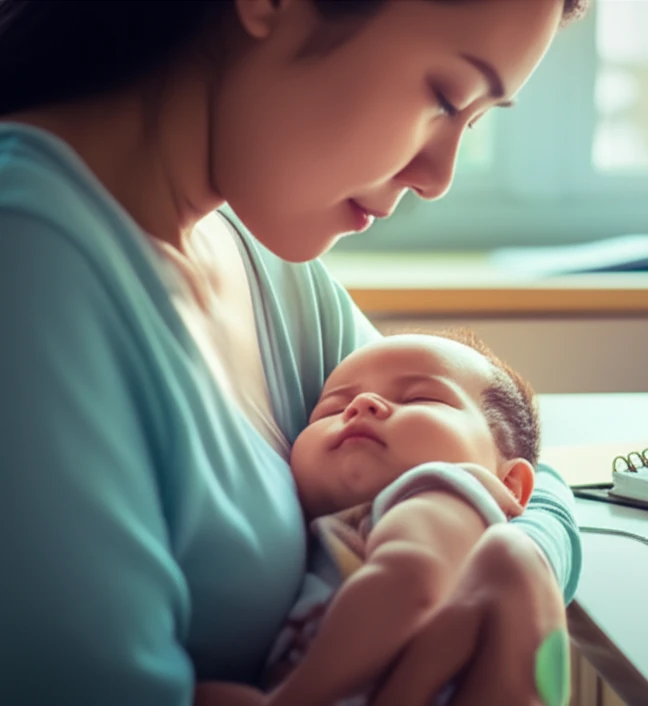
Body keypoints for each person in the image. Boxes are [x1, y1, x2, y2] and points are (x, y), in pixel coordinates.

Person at [0, 1, 589, 705]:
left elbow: (502, 449)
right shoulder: (29, 270)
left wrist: (511, 550)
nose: (439, 176)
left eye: (477, 122)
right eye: (445, 96)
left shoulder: (250, 251)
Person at [196, 330, 546, 706]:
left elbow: (410, 582)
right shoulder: (335, 533)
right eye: (331, 408)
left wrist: (292, 698)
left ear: (508, 484)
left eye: (421, 398)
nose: (362, 404)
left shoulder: (447, 491)